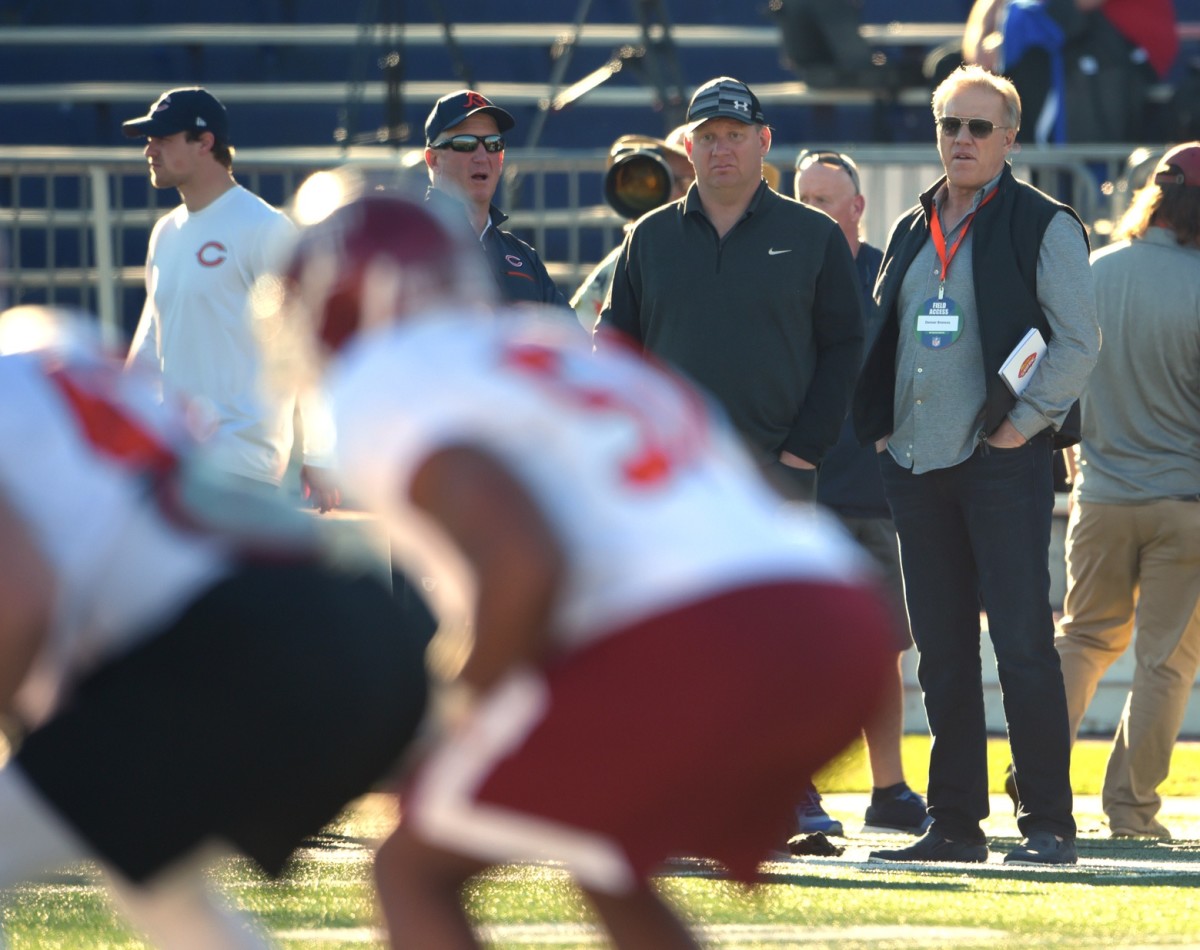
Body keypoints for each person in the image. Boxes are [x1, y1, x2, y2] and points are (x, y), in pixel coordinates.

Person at [278, 185, 895, 948]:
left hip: (710, 626)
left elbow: (524, 567)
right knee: (601, 843)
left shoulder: (393, 378)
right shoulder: (548, 344)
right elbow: (742, 483)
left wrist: (453, 714)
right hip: (833, 612)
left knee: (410, 865)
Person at [0, 305, 428, 948]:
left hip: (233, 646)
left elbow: (21, 601)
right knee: (153, 877)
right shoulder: (48, 348)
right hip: (358, 618)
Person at [854, 64, 1100, 866]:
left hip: (1002, 463)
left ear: (1010, 139)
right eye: (950, 126)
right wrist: (886, 434)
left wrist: (1020, 430)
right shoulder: (909, 225)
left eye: (978, 128)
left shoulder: (1045, 224)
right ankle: (954, 821)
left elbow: (1077, 345)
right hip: (917, 465)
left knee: (1025, 645)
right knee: (943, 652)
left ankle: (1048, 824)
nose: (961, 140)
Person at [597, 76, 864, 508]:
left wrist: (803, 453)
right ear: (689, 147)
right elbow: (613, 348)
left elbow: (845, 347)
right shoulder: (649, 237)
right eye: (707, 137)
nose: (720, 149)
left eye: (734, 135)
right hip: (670, 474)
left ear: (763, 140)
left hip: (776, 477)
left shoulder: (816, 235)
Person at [1051, 142, 1200, 840]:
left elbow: (1055, 380)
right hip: (1187, 503)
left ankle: (1041, 774)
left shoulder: (1092, 272)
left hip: (1101, 493)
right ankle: (1132, 811)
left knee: (1082, 639)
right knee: (1165, 662)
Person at [792, 149, 929, 839]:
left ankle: (890, 788)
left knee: (882, 648)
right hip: (794, 490)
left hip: (869, 491)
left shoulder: (886, 274)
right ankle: (796, 785)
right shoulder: (778, 267)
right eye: (804, 198)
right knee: (790, 651)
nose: (814, 210)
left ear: (857, 206)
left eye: (826, 199)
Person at [122, 86, 337, 507]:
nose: (150, 150)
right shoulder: (164, 232)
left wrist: (320, 453)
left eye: (162, 138)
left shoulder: (264, 228)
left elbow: (307, 346)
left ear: (205, 143)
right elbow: (150, 341)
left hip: (242, 467)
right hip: (176, 461)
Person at [423, 89, 571, 312]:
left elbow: (569, 338)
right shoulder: (406, 247)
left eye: (493, 144)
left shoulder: (524, 257)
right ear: (433, 159)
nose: (482, 157)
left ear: (501, 159)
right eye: (465, 143)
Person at [960, 0, 1178, 143]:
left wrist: (1010, 36)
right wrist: (981, 44)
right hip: (1075, 45)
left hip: (1128, 55)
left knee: (1033, 59)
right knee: (947, 65)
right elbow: (986, 19)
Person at [570, 127, 695, 332]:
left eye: (689, 183)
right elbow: (575, 334)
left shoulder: (729, 259)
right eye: (661, 179)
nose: (673, 193)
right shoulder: (625, 260)